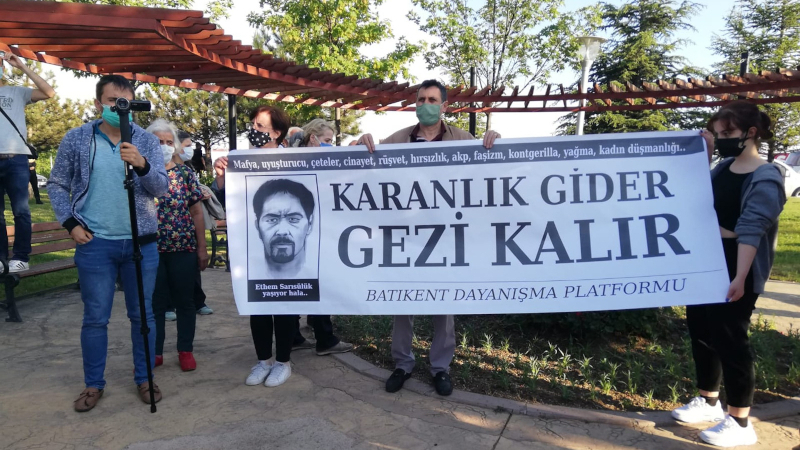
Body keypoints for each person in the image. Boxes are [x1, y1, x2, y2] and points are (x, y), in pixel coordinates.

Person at [356, 79, 501, 397]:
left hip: (446, 236)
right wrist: (360, 142)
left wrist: (495, 141)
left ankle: (440, 368)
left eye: (432, 100)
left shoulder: (463, 139)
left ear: (444, 105)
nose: (425, 105)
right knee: (403, 302)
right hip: (406, 236)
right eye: (420, 99)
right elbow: (365, 164)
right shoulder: (398, 140)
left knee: (444, 304)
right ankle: (402, 364)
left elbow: (487, 170)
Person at [49, 75, 169, 412]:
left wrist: (142, 165)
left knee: (142, 315)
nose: (119, 107)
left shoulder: (146, 140)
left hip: (141, 243)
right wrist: (70, 223)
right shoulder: (77, 138)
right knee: (95, 318)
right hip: (95, 243)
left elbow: (161, 188)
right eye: (112, 101)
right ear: (98, 103)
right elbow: (57, 183)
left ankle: (145, 377)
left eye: (125, 101)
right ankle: (93, 384)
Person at [670, 100, 785, 447]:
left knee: (731, 339)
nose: (722, 139)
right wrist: (705, 154)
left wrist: (740, 277)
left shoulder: (766, 176)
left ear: (751, 132)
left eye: (727, 133)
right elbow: (701, 199)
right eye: (718, 133)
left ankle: (740, 421)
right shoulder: (724, 168)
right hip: (708, 258)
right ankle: (708, 401)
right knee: (703, 332)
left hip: (737, 262)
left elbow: (752, 228)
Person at [212, 105, 297, 388]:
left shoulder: (295, 160)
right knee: (258, 305)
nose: (254, 130)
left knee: (284, 305)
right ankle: (264, 360)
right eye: (253, 125)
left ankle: (283, 362)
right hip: (252, 247)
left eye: (260, 126)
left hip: (285, 248)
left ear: (276, 132)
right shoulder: (240, 160)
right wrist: (221, 175)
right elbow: (225, 199)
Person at [285, 118, 353, 356]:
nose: (330, 145)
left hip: (303, 233)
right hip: (313, 234)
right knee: (319, 284)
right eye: (327, 140)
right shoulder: (305, 163)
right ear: (313, 138)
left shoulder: (291, 161)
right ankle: (325, 339)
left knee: (297, 284)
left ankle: (293, 336)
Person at [146, 119, 209, 372]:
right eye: (158, 142)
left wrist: (202, 248)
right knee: (155, 304)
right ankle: (155, 351)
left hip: (183, 247)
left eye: (168, 142)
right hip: (150, 250)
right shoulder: (139, 173)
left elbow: (196, 212)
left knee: (185, 301)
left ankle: (185, 349)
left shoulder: (185, 174)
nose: (164, 146)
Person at [0, 44, 55, 272]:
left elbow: (49, 92)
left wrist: (22, 66)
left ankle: (21, 256)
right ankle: (2, 259)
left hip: (16, 159)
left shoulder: (17, 92)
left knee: (21, 211)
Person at [176, 129, 213, 316]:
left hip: (190, 230)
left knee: (193, 269)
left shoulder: (188, 171)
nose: (190, 149)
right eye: (187, 146)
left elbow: (195, 207)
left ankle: (198, 302)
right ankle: (170, 305)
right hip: (168, 232)